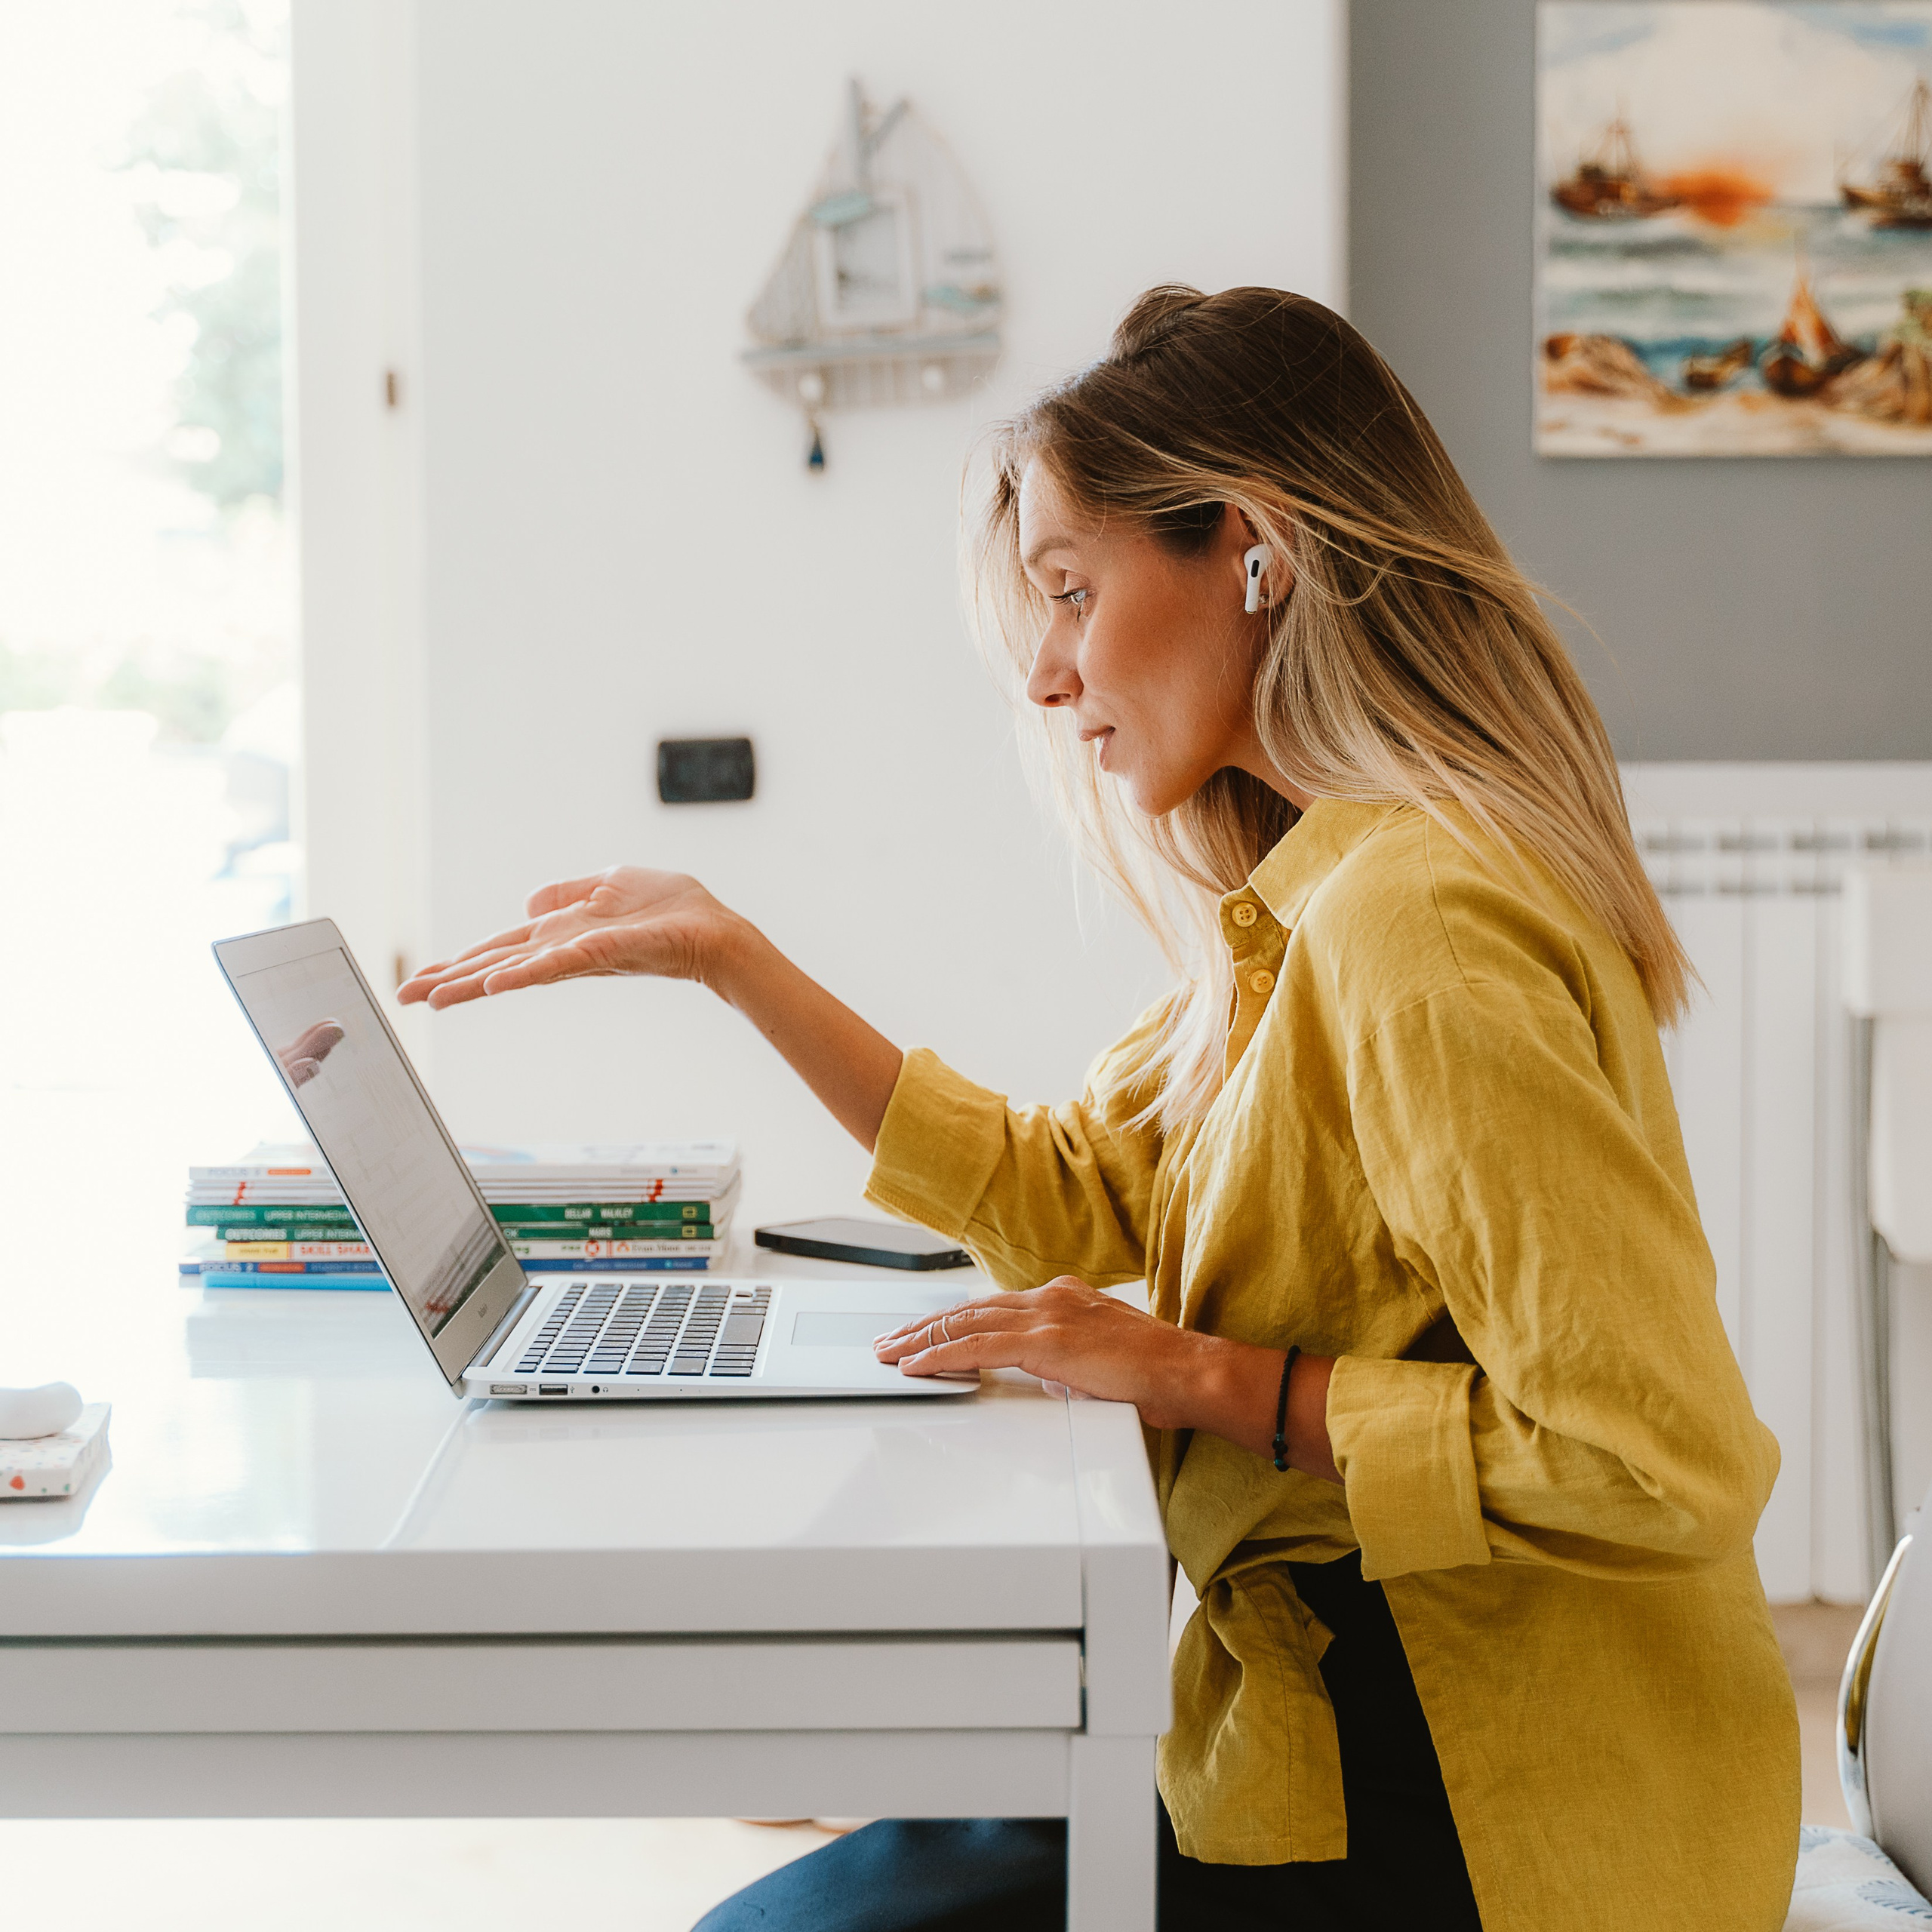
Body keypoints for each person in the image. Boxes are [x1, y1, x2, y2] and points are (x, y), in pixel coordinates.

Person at [398, 286, 1800, 1932]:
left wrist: (1205, 1377)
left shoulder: (1413, 923)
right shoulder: (1310, 901)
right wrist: (731, 958)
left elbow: (1655, 1460)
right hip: (1334, 1724)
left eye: (1072, 591)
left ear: (1253, 553)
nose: (1050, 672)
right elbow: (1070, 1188)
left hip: (1499, 1810)